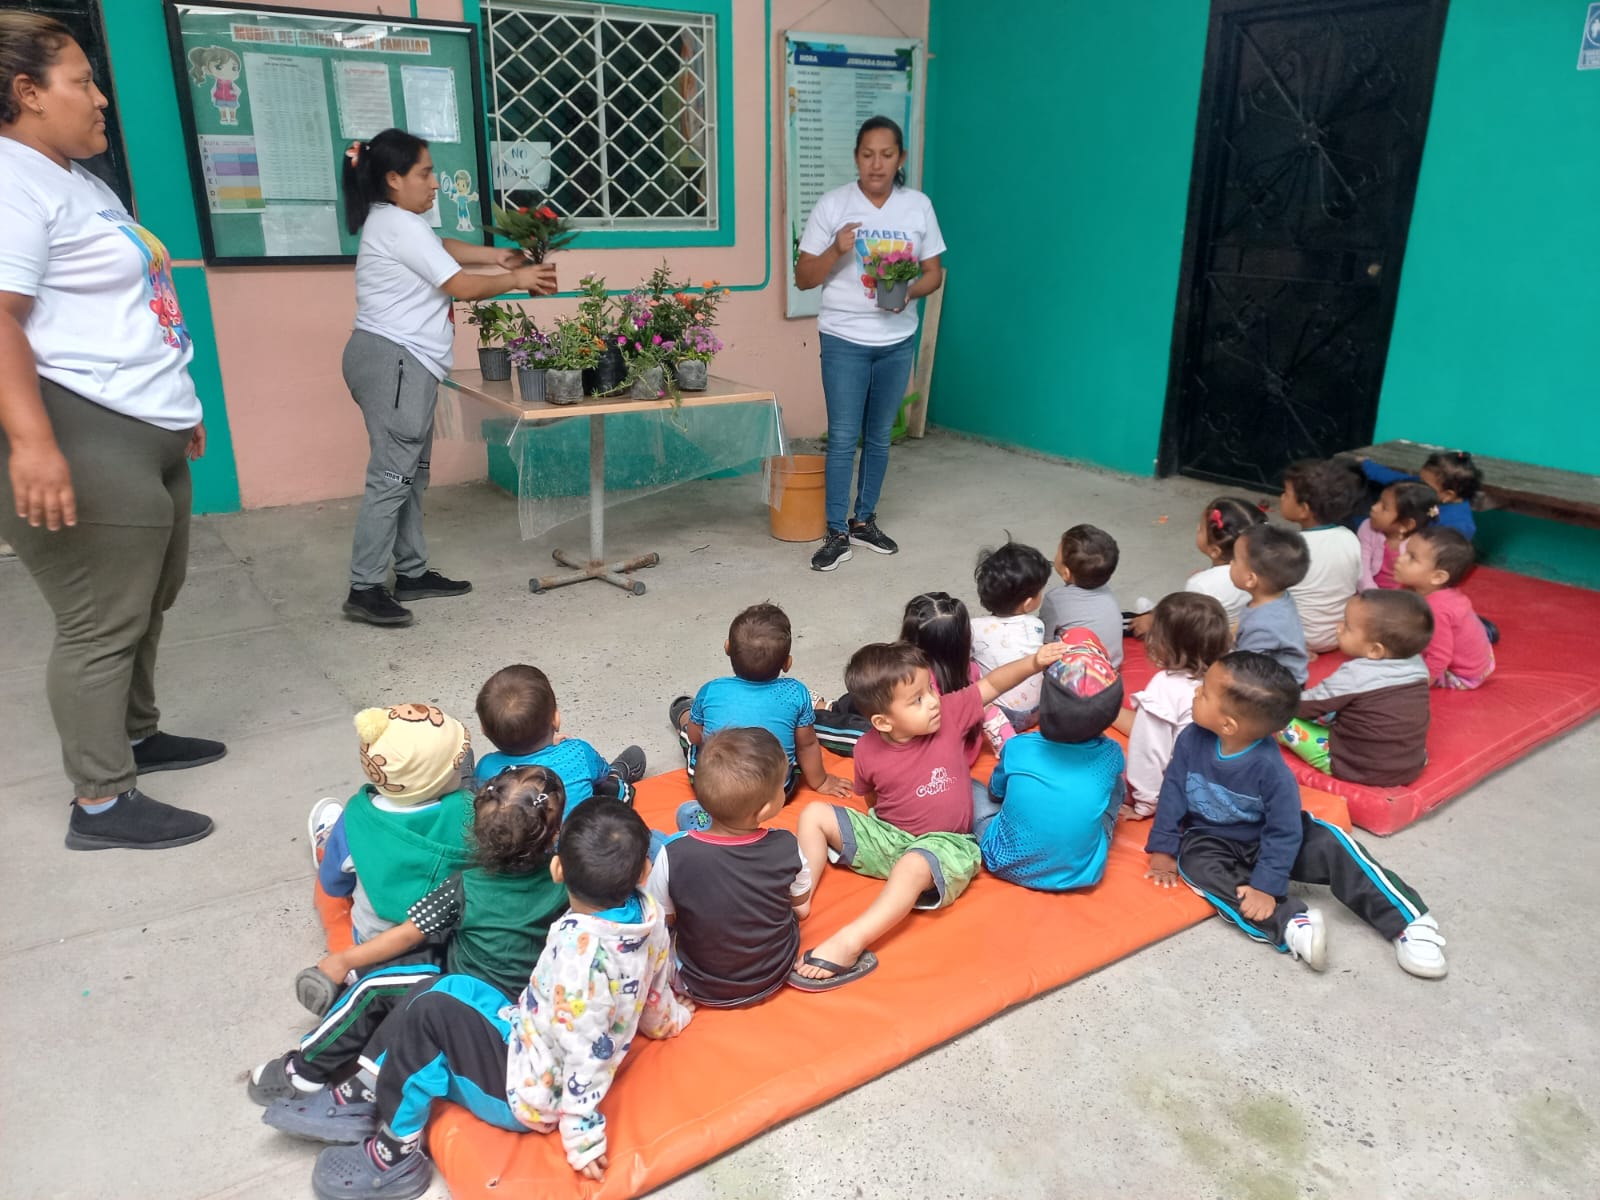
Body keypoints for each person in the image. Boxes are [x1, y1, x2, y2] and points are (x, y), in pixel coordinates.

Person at [0, 13, 222, 851]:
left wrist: (179, 402)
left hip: (142, 421)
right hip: (79, 426)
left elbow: (128, 306)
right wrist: (33, 444)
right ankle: (100, 801)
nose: (100, 99)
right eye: (82, 81)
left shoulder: (76, 181)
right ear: (27, 92)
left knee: (147, 596)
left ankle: (135, 733)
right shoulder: (11, 182)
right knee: (100, 618)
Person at [301, 802, 691, 1196]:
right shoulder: (648, 917)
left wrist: (582, 1133)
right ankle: (365, 1088)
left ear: (557, 869)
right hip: (530, 1038)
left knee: (426, 1018)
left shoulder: (582, 959)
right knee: (446, 989)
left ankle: (393, 1155)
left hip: (528, 1092)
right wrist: (669, 1020)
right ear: (644, 871)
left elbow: (585, 1051)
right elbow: (654, 988)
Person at [249, 767, 568, 1132]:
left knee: (373, 989)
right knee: (404, 972)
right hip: (519, 1002)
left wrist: (344, 958)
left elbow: (407, 934)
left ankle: (304, 1071)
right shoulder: (564, 885)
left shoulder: (464, 886)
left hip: (461, 993)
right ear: (553, 834)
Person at [339, 129, 558, 627]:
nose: (435, 182)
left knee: (410, 474)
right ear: (394, 179)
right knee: (392, 476)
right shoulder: (398, 224)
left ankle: (412, 572)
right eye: (425, 173)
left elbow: (441, 247)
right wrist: (517, 278)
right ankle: (364, 586)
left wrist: (495, 255)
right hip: (394, 362)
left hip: (402, 363)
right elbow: (461, 286)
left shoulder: (397, 221)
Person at [1147, 651, 1447, 979]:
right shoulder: (1191, 739)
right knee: (1195, 865)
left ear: (1228, 725)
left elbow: (1284, 830)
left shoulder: (1270, 769)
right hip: (1211, 837)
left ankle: (1408, 921)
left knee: (1331, 842)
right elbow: (1173, 790)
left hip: (1269, 838)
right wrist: (1163, 846)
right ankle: (1292, 925)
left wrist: (1267, 885)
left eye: (1204, 693)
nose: (1195, 692)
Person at [790, 637, 1066, 990]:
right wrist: (877, 832)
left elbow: (993, 684)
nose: (934, 701)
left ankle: (851, 940)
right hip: (890, 837)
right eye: (917, 700)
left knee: (913, 864)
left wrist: (1035, 661)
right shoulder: (866, 750)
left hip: (947, 846)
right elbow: (872, 798)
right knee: (813, 813)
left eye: (931, 689)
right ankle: (802, 894)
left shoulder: (950, 714)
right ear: (883, 722)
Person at [794, 116, 945, 572]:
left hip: (896, 341)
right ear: (856, 157)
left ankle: (864, 521)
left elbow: (934, 273)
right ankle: (835, 531)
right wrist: (837, 249)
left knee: (879, 436)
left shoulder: (917, 206)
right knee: (843, 436)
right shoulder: (833, 205)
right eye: (867, 154)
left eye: (886, 154)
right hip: (844, 337)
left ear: (900, 158)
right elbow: (803, 278)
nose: (876, 164)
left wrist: (908, 294)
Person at [302, 703, 476, 1014]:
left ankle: (326, 840)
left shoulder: (355, 817)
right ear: (437, 778)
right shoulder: (470, 812)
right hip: (447, 938)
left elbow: (334, 884)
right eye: (457, 764)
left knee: (336, 870)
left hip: (373, 939)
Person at [645, 728, 812, 1007]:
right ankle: (697, 833)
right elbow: (801, 907)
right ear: (764, 810)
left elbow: (664, 919)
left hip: (697, 983)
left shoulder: (673, 856)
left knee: (660, 850)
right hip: (774, 972)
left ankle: (687, 835)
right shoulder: (786, 845)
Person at [669, 602, 850, 831]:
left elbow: (697, 738)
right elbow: (806, 744)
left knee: (692, 735)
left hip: (714, 789)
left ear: (727, 648)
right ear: (787, 664)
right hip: (773, 792)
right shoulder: (796, 692)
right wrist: (820, 781)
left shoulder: (712, 689)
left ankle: (683, 713)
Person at [974, 631, 1125, 891]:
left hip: (1003, 860)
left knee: (970, 789)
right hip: (1081, 871)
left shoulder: (1018, 747)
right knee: (1115, 785)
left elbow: (996, 792)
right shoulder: (1111, 754)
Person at [813, 590, 1012, 758]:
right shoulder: (971, 670)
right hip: (963, 753)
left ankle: (817, 716)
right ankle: (832, 707)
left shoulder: (914, 679)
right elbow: (989, 710)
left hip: (922, 755)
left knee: (871, 707)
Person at [1279, 590, 1433, 786]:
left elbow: (1307, 706)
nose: (1338, 628)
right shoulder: (1418, 666)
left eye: (1347, 626)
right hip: (1411, 765)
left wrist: (1277, 699)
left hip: (1356, 768)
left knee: (1280, 718)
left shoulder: (1356, 675)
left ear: (1375, 650)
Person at [1114, 592, 1232, 819]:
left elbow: (1148, 751)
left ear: (1163, 644)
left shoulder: (1165, 687)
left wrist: (1145, 804)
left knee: (1101, 762)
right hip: (1220, 785)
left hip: (1181, 794)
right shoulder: (1229, 678)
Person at [471, 663, 644, 810]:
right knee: (606, 783)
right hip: (579, 834)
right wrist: (560, 749)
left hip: (520, 836)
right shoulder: (577, 751)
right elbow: (601, 774)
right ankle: (618, 775)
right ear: (556, 719)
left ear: (483, 730)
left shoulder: (486, 766)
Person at [1129, 497, 1263, 637]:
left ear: (1215, 551)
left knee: (1151, 612)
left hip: (1204, 638)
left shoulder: (1200, 584)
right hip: (1236, 632)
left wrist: (1152, 621)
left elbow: (1186, 621)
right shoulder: (1261, 571)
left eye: (1201, 529)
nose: (1197, 528)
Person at [1279, 460, 1364, 652]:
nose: (1281, 497)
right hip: (1336, 635)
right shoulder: (1350, 538)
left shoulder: (1291, 547)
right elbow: (1357, 583)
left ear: (1304, 510)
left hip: (1296, 637)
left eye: (1286, 493)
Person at [1394, 526, 1495, 689]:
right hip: (1479, 655)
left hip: (1463, 673)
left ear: (1438, 577)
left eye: (1412, 557)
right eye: (1405, 551)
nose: (1400, 558)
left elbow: (1439, 657)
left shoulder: (1437, 611)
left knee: (1397, 670)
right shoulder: (1413, 586)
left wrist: (1419, 685)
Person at [969, 539, 1052, 730]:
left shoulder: (973, 628)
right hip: (1039, 709)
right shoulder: (1037, 625)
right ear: (1028, 603)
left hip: (1003, 716)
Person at [1230, 523, 1311, 686]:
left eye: (1235, 560)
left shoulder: (1261, 626)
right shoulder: (1281, 596)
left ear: (1250, 579)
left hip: (1279, 690)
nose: (1230, 563)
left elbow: (1245, 669)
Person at [1039, 524, 1124, 666]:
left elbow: (1044, 643)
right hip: (1112, 666)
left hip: (1076, 673)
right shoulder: (1107, 592)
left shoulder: (1054, 600)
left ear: (1066, 573)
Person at [1360, 449, 1480, 540]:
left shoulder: (1459, 525)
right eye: (1419, 479)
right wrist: (1366, 464)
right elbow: (1395, 478)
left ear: (1448, 495)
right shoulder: (1425, 485)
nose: (1416, 485)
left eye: (1423, 483)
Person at [1357, 480, 1438, 591]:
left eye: (1384, 507)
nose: (1374, 507)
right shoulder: (1368, 528)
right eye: (1378, 501)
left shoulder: (1420, 545)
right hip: (1367, 590)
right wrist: (1371, 593)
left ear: (1407, 524)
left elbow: (1417, 582)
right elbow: (1362, 567)